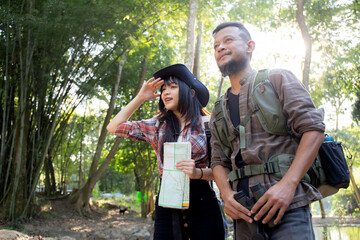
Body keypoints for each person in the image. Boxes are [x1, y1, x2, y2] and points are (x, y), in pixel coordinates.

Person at [210, 22, 326, 240]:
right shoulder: (218, 109)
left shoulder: (278, 78)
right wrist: (226, 195)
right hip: (243, 213)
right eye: (216, 45)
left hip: (288, 206)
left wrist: (288, 186)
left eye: (228, 40)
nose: (220, 47)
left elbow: (313, 129)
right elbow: (218, 160)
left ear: (249, 46)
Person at [107, 64, 225, 240]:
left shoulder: (209, 124)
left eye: (173, 87)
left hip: (203, 205)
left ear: (191, 92)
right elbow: (114, 127)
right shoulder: (157, 125)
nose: (165, 92)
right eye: (163, 89)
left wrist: (197, 173)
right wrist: (140, 97)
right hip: (166, 205)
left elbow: (223, 169)